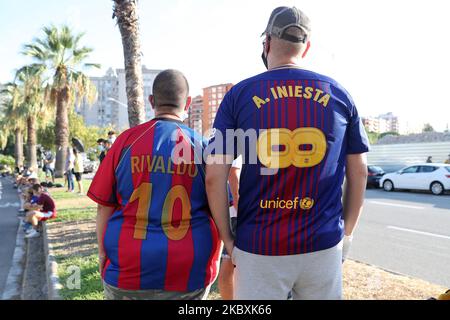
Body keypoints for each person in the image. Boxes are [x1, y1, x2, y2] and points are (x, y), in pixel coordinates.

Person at [205, 6, 369, 300]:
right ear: (306, 47)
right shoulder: (340, 94)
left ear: (266, 42)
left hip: (259, 245)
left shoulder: (238, 95)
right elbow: (359, 172)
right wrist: (347, 235)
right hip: (323, 242)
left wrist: (229, 241)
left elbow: (214, 177)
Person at [87, 69, 221, 300]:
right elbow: (219, 207)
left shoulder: (124, 142)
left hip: (127, 268)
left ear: (151, 101)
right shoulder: (202, 146)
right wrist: (217, 257)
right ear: (188, 102)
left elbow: (104, 207)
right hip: (188, 270)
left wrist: (102, 253)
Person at [218, 156, 242, 300]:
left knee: (231, 262)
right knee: (230, 262)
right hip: (237, 213)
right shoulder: (237, 138)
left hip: (234, 211)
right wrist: (241, 208)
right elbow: (233, 173)